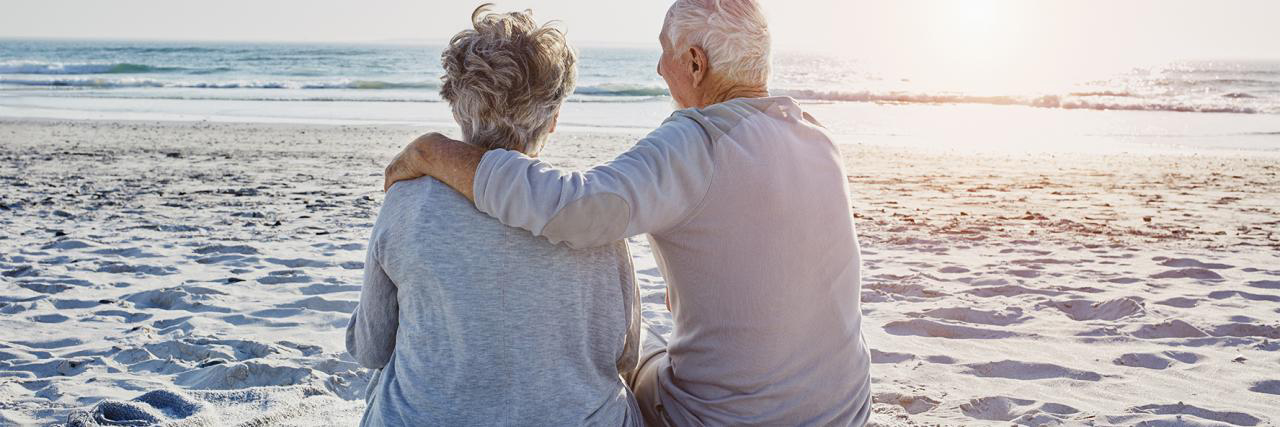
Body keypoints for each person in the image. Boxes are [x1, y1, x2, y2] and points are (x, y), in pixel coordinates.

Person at [383, 0, 872, 425]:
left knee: (635, 362)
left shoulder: (695, 141)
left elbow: (575, 210)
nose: (659, 69)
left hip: (728, 419)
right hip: (844, 411)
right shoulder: (817, 138)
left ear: (695, 63)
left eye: (664, 52)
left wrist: (434, 152)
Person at [345, 5, 641, 426]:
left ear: (455, 108)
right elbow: (626, 354)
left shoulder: (406, 202)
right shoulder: (590, 210)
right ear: (554, 119)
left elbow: (370, 348)